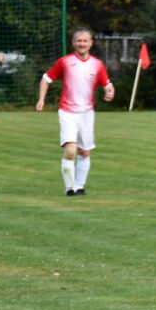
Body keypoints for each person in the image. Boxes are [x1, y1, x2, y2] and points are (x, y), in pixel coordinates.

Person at [35, 27, 115, 195]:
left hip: (87, 113)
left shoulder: (97, 64)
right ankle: (69, 188)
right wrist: (41, 99)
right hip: (67, 111)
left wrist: (110, 91)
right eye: (79, 41)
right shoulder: (65, 62)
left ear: (91, 43)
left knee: (84, 151)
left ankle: (79, 186)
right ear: (73, 43)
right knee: (71, 149)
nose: (82, 44)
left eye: (85, 41)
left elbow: (107, 84)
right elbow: (45, 79)